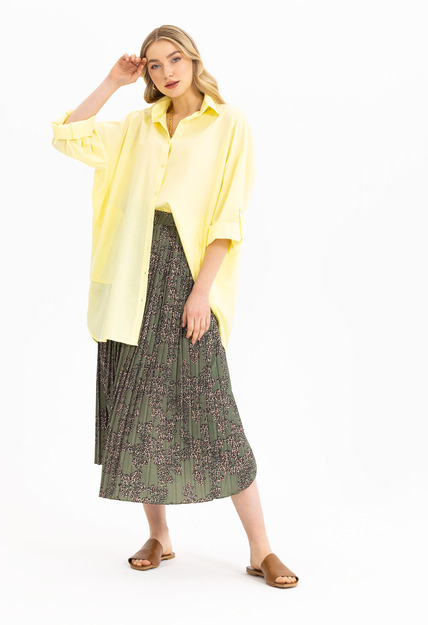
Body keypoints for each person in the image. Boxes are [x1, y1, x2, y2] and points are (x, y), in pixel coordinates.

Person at [51, 25, 298, 589]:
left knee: (214, 410)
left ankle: (261, 549)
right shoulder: (137, 126)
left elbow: (229, 216)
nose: (167, 71)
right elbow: (67, 136)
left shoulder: (228, 122)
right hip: (131, 274)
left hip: (188, 273)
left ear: (194, 61)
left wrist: (201, 291)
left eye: (175, 58)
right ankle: (160, 536)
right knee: (140, 405)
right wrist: (112, 82)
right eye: (155, 64)